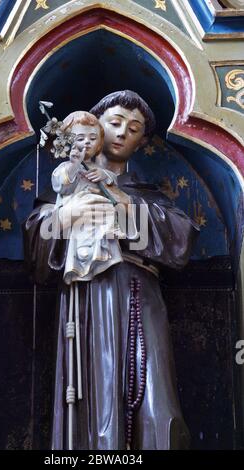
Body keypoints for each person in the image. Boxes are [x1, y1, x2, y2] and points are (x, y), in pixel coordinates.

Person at [23, 90, 200, 450]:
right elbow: (37, 245)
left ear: (142, 141)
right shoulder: (68, 186)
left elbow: (180, 237)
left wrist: (124, 211)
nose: (122, 132)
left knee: (157, 400)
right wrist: (65, 216)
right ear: (94, 127)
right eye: (114, 123)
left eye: (134, 128)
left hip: (140, 296)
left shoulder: (146, 194)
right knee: (91, 393)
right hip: (87, 298)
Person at [50, 111, 127, 285]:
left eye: (92, 138)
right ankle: (84, 254)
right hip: (80, 216)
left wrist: (104, 176)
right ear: (69, 142)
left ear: (100, 142)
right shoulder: (67, 167)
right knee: (84, 235)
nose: (87, 142)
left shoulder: (98, 168)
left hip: (101, 212)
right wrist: (74, 166)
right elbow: (61, 184)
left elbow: (112, 181)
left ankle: (108, 239)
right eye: (80, 138)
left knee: (107, 211)